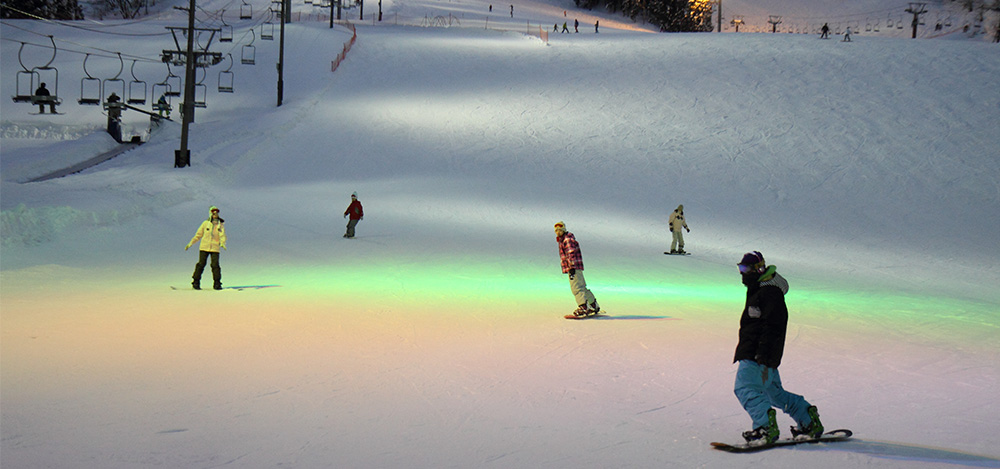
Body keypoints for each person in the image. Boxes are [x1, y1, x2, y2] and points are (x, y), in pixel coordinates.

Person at [732, 251, 823, 446]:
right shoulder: (760, 290)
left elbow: (774, 328)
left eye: (745, 269)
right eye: (740, 268)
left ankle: (765, 427)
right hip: (762, 354)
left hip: (757, 355)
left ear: (759, 269)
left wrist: (763, 358)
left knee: (744, 388)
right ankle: (808, 419)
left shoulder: (769, 293)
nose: (742, 273)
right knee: (773, 394)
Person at [554, 222, 599, 317]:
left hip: (573, 267)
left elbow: (571, 253)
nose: (558, 232)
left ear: (563, 230)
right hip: (576, 267)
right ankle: (593, 304)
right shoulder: (565, 239)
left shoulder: (567, 240)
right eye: (556, 231)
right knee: (582, 286)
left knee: (576, 288)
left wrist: (571, 267)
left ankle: (583, 307)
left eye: (560, 230)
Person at [185, 206, 227, 290]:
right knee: (201, 264)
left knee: (215, 265)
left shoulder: (220, 225)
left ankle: (217, 283)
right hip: (204, 247)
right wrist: (191, 243)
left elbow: (222, 235)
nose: (215, 215)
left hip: (215, 248)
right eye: (213, 214)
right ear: (210, 214)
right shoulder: (205, 224)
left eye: (216, 214)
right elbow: (198, 235)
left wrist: (222, 243)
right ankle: (196, 282)